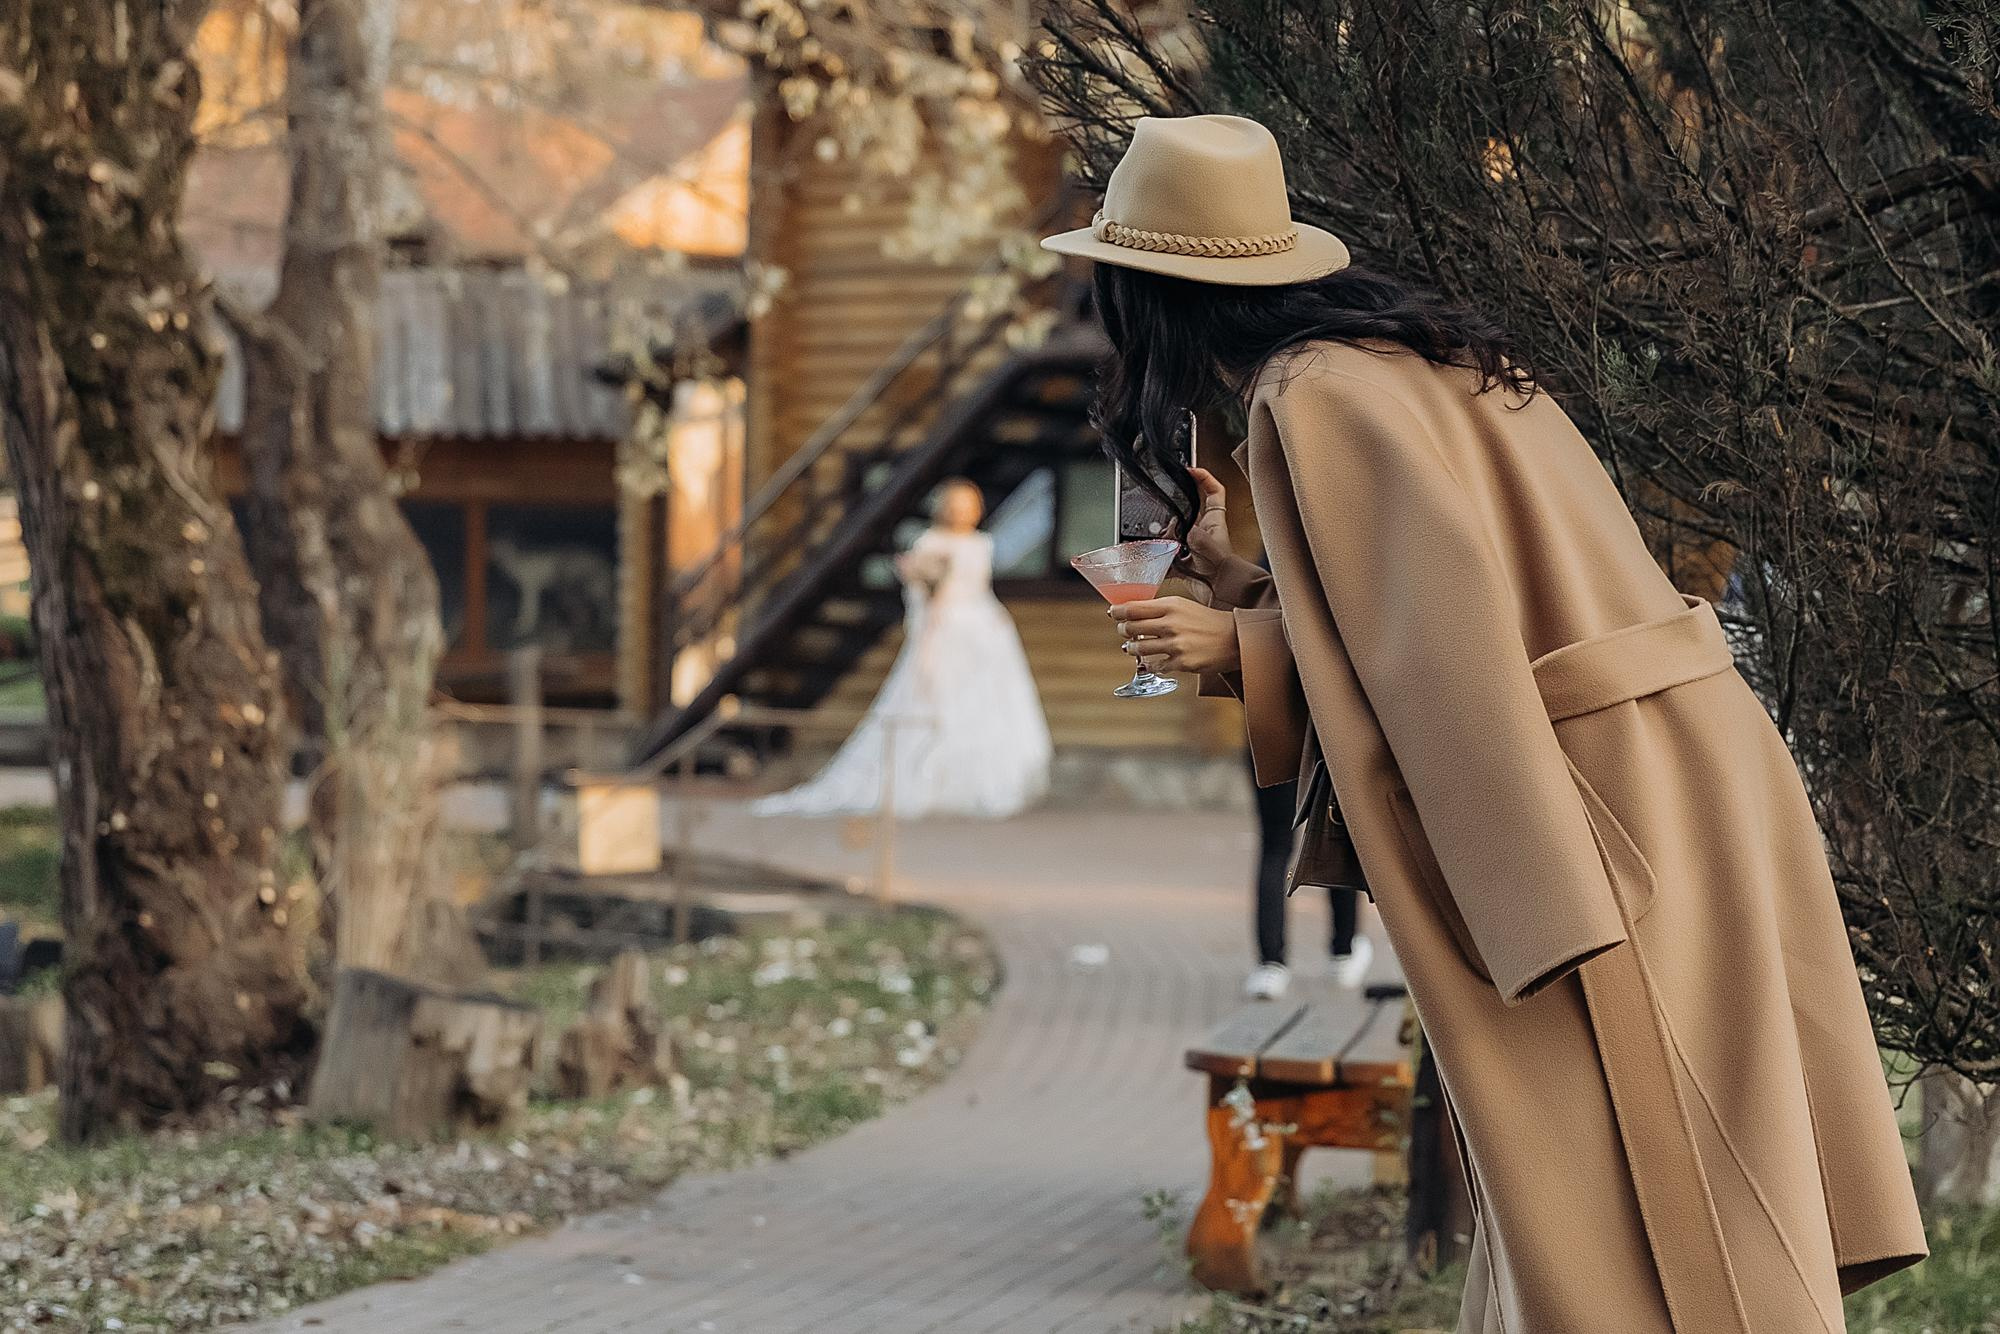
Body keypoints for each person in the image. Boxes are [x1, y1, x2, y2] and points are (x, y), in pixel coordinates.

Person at [1045, 114, 1924, 1332]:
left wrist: (1239, 647)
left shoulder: (1313, 394)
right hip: (1665, 768)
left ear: (1153, 295)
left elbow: (1440, 670)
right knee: (1660, 1192)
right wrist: (1242, 586)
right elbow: (1427, 616)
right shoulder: (1401, 358)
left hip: (1587, 806)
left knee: (1634, 1202)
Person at [753, 479, 1050, 820]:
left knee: (981, 707)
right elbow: (923, 601)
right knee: (934, 706)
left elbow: (980, 589)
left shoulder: (982, 544)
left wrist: (997, 618)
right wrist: (924, 640)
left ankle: (971, 788)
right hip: (944, 632)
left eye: (967, 505)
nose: (960, 512)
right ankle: (927, 785)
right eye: (955, 504)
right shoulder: (930, 542)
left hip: (982, 634)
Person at [1243, 563, 1370, 1002]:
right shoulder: (1342, 572)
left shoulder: (1263, 576)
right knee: (1340, 833)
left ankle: (1270, 963)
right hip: (1328, 729)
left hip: (1270, 727)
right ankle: (1343, 950)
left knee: (1276, 845)